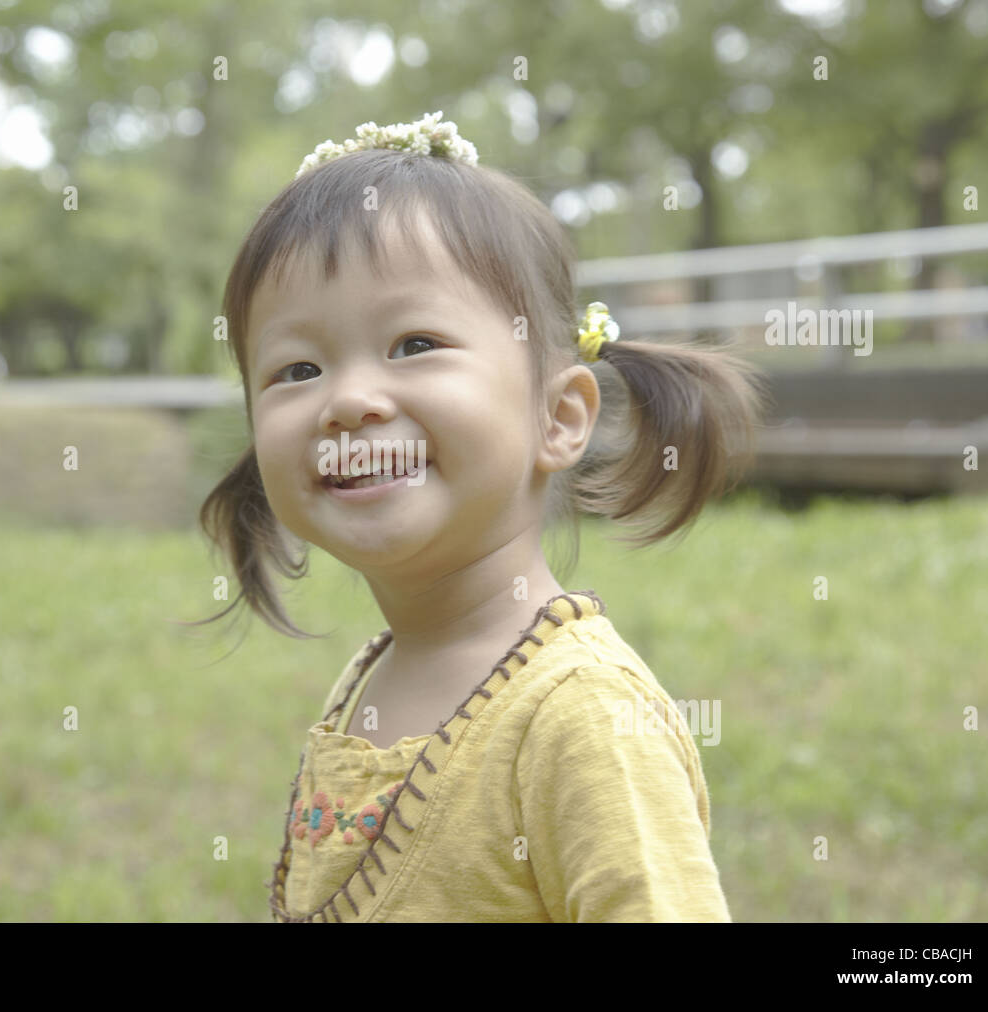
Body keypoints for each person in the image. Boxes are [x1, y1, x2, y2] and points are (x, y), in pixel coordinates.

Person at [196, 113, 766, 921]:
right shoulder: (372, 678)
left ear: (559, 416)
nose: (350, 401)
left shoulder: (582, 718)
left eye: (415, 344)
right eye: (298, 367)